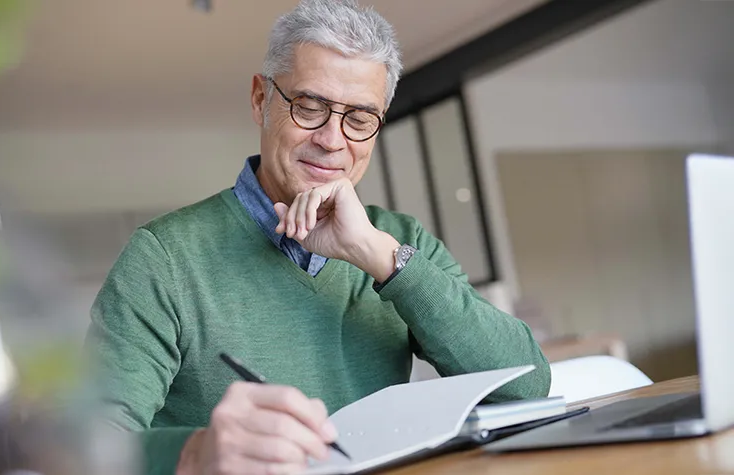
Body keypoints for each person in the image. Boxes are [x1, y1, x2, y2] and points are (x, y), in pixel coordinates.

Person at [86, 1, 551, 474]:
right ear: (259, 99)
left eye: (359, 119)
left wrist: (380, 256)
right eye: (309, 107)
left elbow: (525, 388)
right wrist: (197, 453)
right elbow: (87, 448)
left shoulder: (402, 242)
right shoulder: (163, 258)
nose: (333, 140)